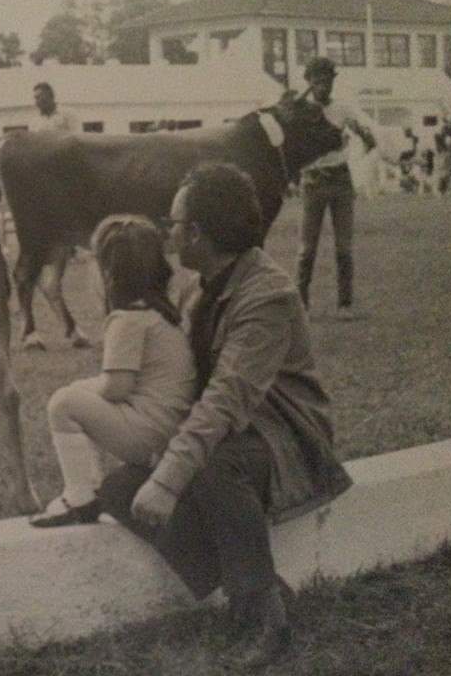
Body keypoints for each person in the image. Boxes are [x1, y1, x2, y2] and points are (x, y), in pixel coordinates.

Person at [96, 162, 352, 668]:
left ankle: (264, 617)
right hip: (229, 431)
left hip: (283, 436)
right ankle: (259, 583)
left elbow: (227, 398)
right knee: (119, 489)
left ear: (197, 234)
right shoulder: (199, 288)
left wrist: (169, 478)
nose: (168, 233)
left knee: (210, 469)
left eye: (174, 223)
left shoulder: (269, 295)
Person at [29, 214, 196, 527]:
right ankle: (89, 489)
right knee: (77, 394)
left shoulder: (127, 320)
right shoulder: (159, 314)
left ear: (108, 274)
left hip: (151, 434)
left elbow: (117, 388)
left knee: (63, 405)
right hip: (171, 427)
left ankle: (80, 498)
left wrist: (84, 391)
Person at [295, 56, 377, 320]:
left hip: (341, 181)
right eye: (317, 81)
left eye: (328, 81)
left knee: (344, 248)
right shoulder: (300, 112)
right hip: (313, 181)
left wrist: (361, 139)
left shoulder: (343, 109)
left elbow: (369, 139)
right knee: (307, 249)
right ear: (308, 82)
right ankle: (301, 305)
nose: (323, 87)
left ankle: (345, 305)